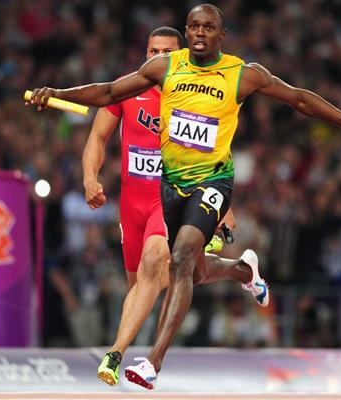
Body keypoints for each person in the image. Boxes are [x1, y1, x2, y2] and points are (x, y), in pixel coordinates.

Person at [27, 3, 341, 390]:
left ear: (221, 34)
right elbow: (110, 91)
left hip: (214, 182)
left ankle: (150, 361)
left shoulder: (242, 74)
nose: (200, 32)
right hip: (172, 186)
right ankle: (243, 270)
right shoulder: (165, 69)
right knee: (194, 271)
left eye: (208, 27)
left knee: (178, 260)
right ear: (188, 30)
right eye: (194, 25)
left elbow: (299, 98)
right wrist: (57, 93)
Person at [82, 27, 267, 387]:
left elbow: (216, 158)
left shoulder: (196, 97)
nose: (157, 58)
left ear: (179, 55)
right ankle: (243, 270)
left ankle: (116, 353)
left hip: (170, 199)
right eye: (152, 50)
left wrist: (223, 208)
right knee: (171, 278)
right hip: (131, 205)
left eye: (165, 52)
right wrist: (91, 177)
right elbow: (98, 136)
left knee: (158, 263)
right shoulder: (127, 89)